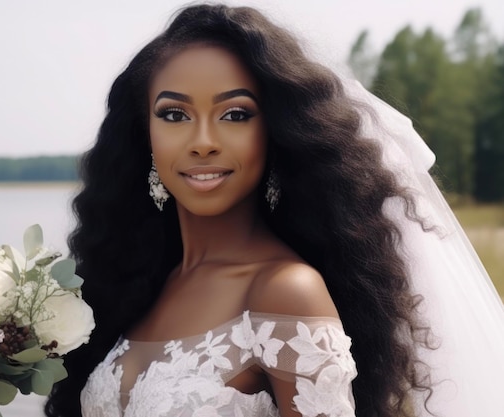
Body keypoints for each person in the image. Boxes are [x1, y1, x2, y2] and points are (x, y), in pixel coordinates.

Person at [46, 4, 504, 417]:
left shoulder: (287, 291)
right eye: (174, 115)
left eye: (235, 114)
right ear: (144, 133)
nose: (203, 141)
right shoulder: (142, 285)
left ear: (275, 132)